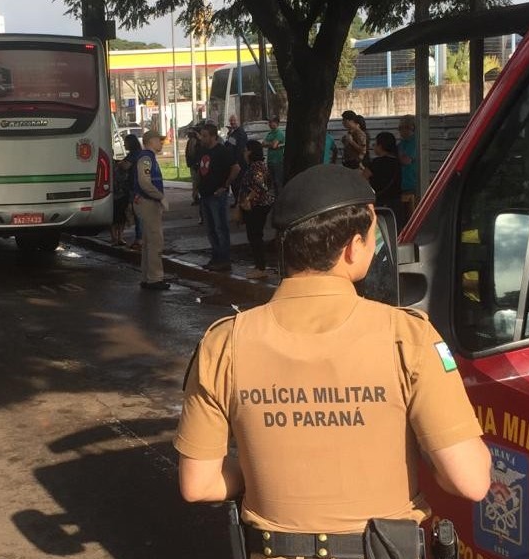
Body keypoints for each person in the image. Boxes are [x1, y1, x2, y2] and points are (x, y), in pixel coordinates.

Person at [175, 165, 490, 559]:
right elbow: (471, 480)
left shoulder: (223, 342)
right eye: (374, 239)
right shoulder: (407, 337)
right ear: (353, 248)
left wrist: (265, 467)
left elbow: (198, 483)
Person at [196, 122, 240, 272]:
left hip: (217, 194)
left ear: (213, 136)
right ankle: (216, 256)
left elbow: (235, 168)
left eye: (205, 136)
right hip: (205, 194)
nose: (202, 138)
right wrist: (196, 188)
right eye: (202, 135)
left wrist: (225, 185)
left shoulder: (222, 151)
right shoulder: (202, 151)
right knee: (210, 228)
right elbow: (199, 171)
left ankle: (224, 258)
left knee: (220, 226)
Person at [133, 130, 170, 290]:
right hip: (148, 203)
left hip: (146, 202)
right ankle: (155, 278)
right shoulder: (146, 158)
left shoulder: (148, 157)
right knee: (155, 241)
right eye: (159, 140)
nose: (161, 143)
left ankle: (148, 277)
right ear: (151, 141)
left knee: (149, 242)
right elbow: (144, 182)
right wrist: (160, 197)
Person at [239, 140, 275, 280]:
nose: (244, 153)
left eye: (245, 150)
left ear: (250, 152)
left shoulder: (256, 167)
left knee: (255, 236)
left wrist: (248, 198)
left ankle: (260, 267)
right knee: (254, 235)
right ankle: (259, 265)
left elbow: (260, 186)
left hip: (257, 206)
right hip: (258, 205)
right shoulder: (256, 166)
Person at [364, 131, 408, 226]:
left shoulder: (376, 162)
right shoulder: (397, 162)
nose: (373, 147)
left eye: (375, 144)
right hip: (396, 202)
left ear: (380, 146)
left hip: (379, 201)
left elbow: (364, 177)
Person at [111, 134, 142, 247]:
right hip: (138, 185)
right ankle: (138, 237)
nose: (124, 144)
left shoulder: (133, 155)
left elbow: (125, 166)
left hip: (134, 186)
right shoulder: (139, 153)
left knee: (137, 214)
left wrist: (118, 163)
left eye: (125, 142)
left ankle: (139, 239)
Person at [397, 115, 420, 214]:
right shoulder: (402, 143)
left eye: (402, 128)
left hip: (411, 183)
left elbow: (406, 160)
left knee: (412, 212)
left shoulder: (415, 142)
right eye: (399, 128)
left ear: (411, 128)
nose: (400, 131)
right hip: (402, 184)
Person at [226, 115, 249, 201]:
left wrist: (236, 161)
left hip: (239, 163)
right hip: (233, 161)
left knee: (238, 183)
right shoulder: (233, 133)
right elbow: (230, 145)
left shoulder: (240, 133)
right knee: (234, 183)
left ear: (238, 121)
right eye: (231, 121)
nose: (232, 122)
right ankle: (237, 201)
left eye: (234, 120)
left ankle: (240, 201)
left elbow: (240, 148)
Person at [263, 116, 286, 191]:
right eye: (269, 122)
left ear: (276, 123)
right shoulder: (270, 133)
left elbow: (274, 145)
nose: (269, 124)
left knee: (277, 182)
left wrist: (269, 144)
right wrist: (271, 143)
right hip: (270, 161)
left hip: (277, 161)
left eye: (271, 122)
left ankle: (279, 199)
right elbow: (263, 144)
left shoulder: (279, 133)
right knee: (270, 182)